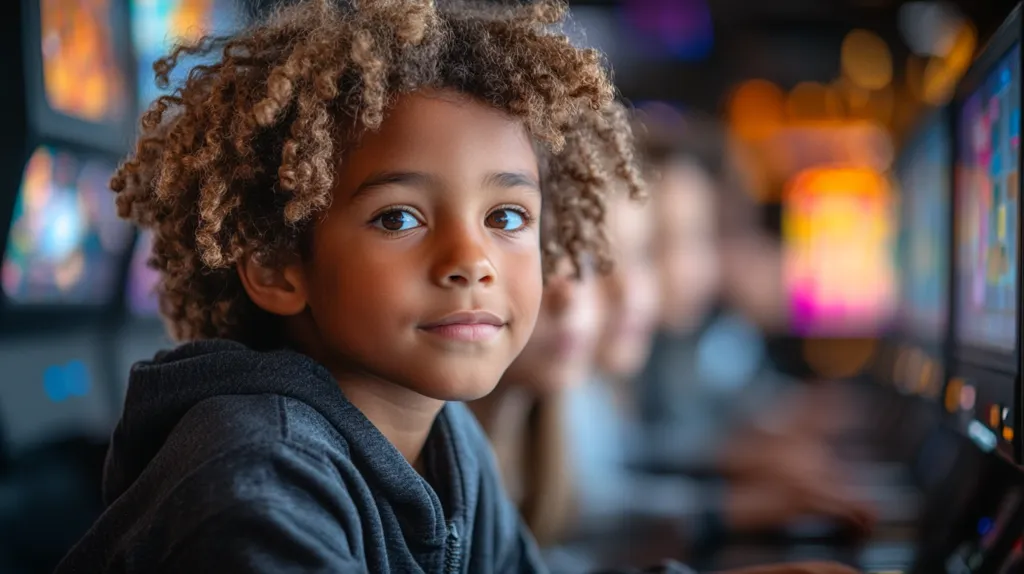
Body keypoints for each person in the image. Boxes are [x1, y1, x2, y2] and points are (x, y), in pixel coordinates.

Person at [54, 1, 647, 572]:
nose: (472, 261)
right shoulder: (256, 477)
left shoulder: (447, 438)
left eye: (507, 218)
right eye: (398, 218)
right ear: (275, 267)